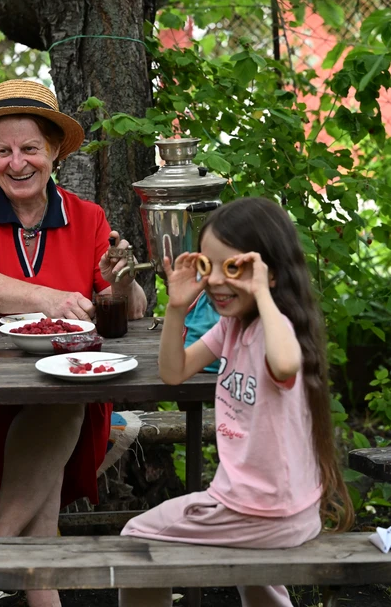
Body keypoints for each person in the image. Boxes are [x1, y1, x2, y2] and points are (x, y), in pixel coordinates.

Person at [0, 79, 148, 607]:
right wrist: (53, 299)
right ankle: (3, 567)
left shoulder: (89, 216)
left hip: (72, 402)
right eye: (3, 151)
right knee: (61, 411)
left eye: (30, 148)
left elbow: (135, 306)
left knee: (65, 402)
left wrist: (120, 281)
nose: (17, 163)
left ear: (54, 150)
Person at [119, 197, 354, 607]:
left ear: (270, 273)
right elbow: (174, 372)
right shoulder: (232, 328)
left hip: (262, 511)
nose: (216, 282)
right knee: (254, 577)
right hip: (271, 510)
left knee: (136, 538)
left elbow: (283, 362)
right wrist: (177, 306)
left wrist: (262, 292)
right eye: (208, 267)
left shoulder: (275, 329)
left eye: (235, 269)